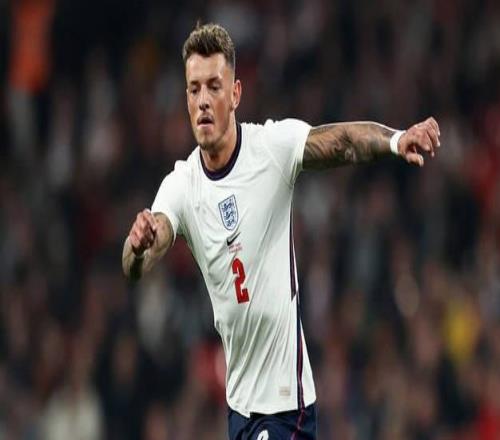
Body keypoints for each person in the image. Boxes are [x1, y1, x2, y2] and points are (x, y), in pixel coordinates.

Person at [122, 23, 440, 440]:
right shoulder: (181, 185)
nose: (203, 101)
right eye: (194, 89)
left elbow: (342, 141)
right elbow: (140, 259)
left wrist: (396, 140)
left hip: (288, 406)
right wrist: (138, 244)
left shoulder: (270, 149)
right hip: (240, 408)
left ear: (235, 94)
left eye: (214, 87)